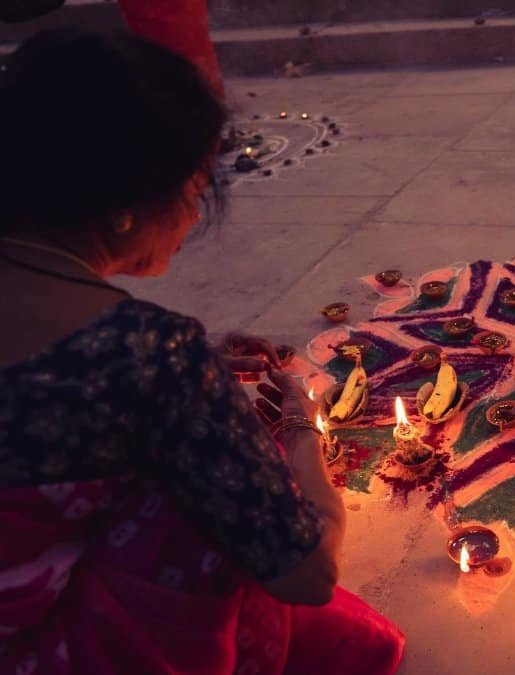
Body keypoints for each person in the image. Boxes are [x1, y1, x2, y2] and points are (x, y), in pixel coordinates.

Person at [0, 30, 403, 674]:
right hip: (47, 651)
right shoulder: (150, 356)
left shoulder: (132, 353)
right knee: (206, 491)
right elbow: (306, 576)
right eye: (196, 185)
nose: (195, 213)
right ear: (125, 204)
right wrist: (301, 433)